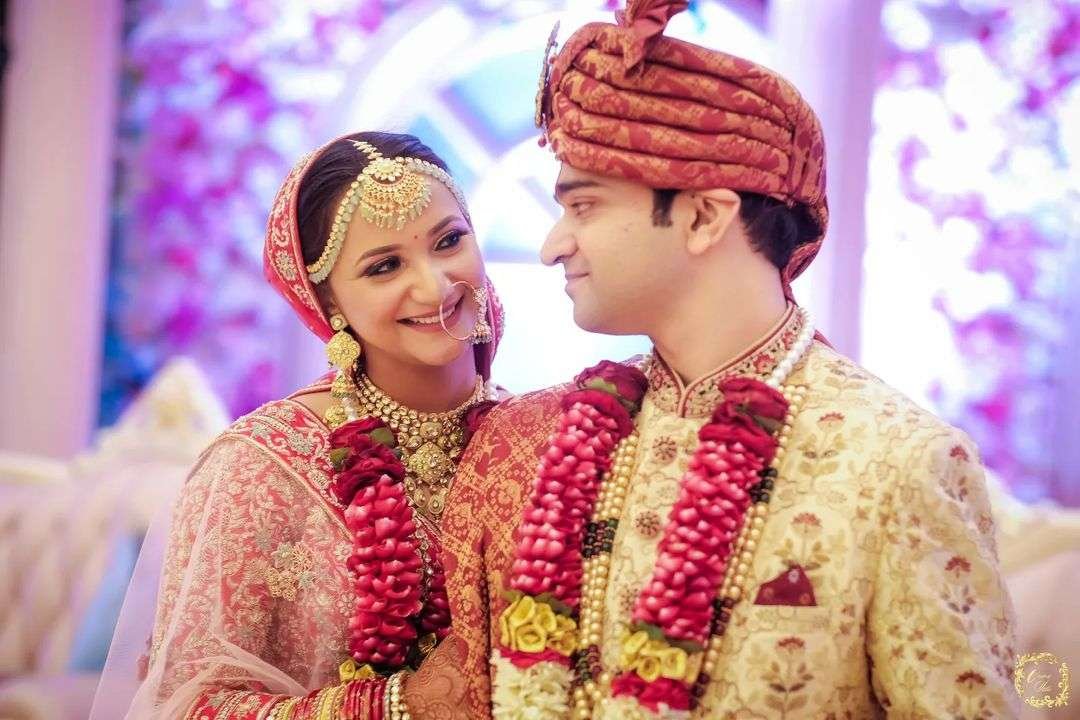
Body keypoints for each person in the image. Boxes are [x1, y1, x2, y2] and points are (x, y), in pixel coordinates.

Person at [439, 1, 1021, 717]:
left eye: (584, 206)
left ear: (704, 216)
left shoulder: (897, 464)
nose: (552, 245)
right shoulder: (551, 440)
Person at [90, 131, 506, 719]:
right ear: (326, 301)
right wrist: (398, 705)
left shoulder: (534, 436)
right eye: (385, 266)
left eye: (449, 240)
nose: (435, 285)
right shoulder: (258, 467)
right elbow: (186, 707)